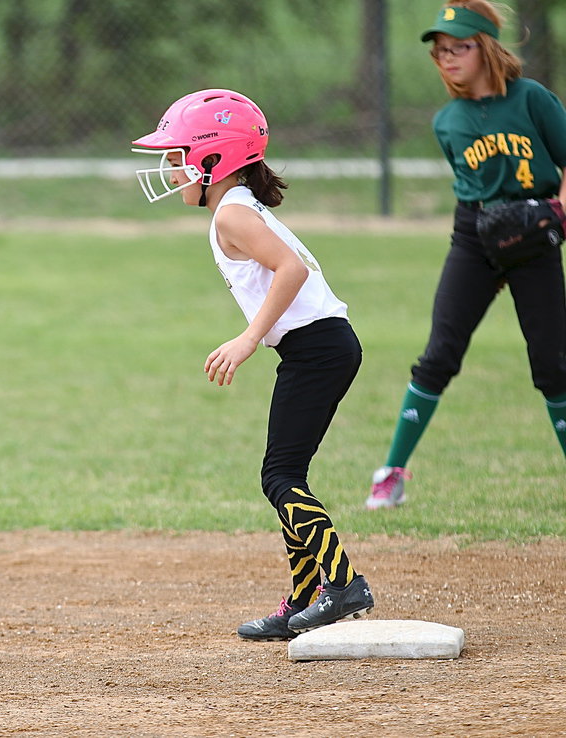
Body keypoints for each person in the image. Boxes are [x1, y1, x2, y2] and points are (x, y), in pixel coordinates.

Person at [132, 89, 374, 640]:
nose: (171, 171)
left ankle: (344, 585)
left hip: (318, 349)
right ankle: (305, 598)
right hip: (317, 348)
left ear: (211, 158)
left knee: (280, 477)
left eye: (177, 157)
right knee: (285, 474)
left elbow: (292, 270)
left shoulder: (233, 214)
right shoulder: (236, 207)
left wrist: (248, 338)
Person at [367, 1, 566, 510]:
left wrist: (559, 212)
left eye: (460, 47)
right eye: (440, 51)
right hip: (474, 235)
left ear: (488, 48)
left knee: (553, 363)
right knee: (439, 354)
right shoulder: (447, 121)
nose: (448, 57)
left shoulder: (531, 99)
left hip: (535, 229)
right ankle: (391, 474)